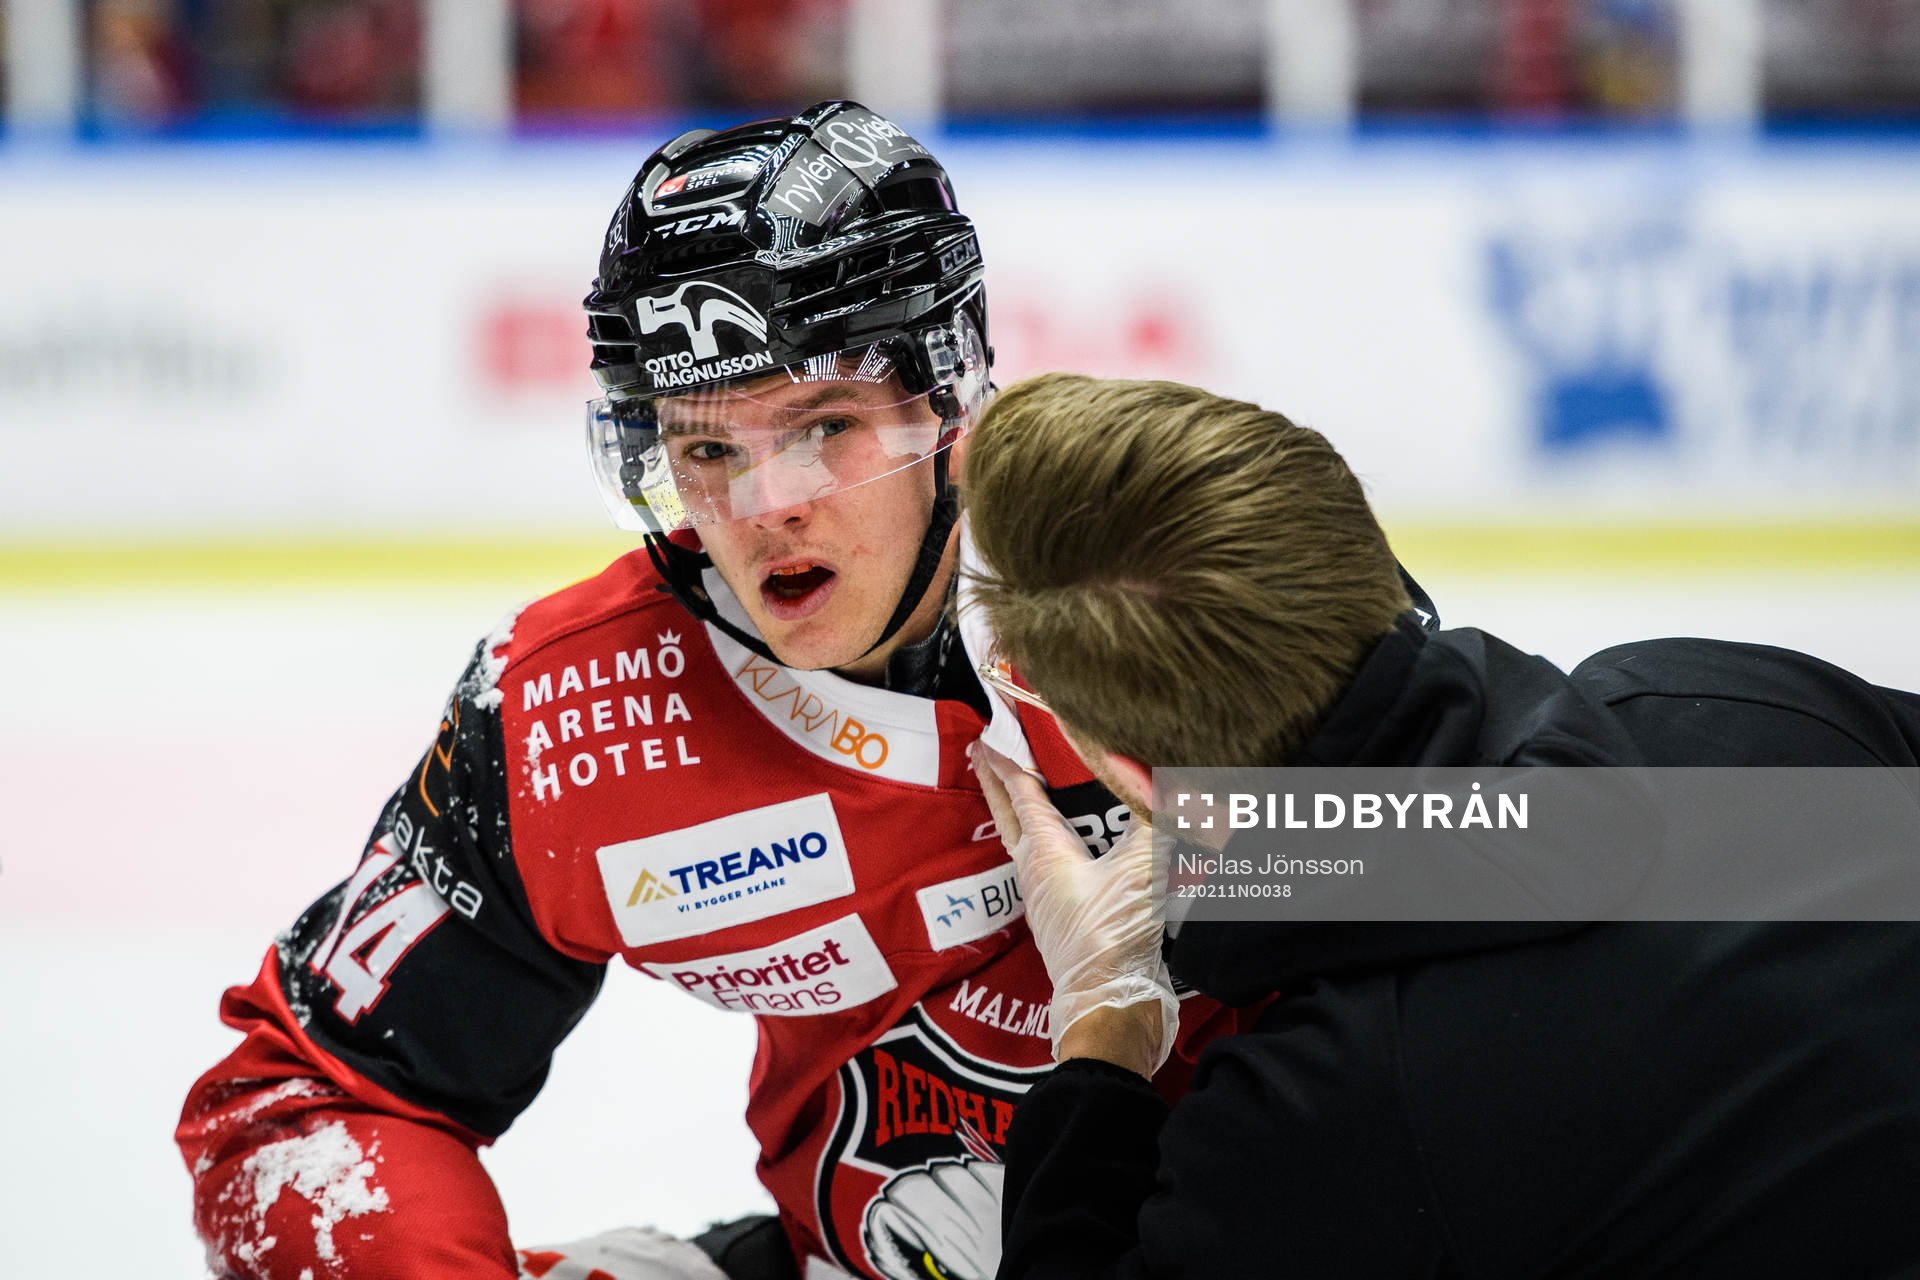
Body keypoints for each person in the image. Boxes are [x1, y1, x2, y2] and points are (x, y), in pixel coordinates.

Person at [175, 107, 1260, 1280]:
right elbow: (300, 1098)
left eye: (823, 426)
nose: (760, 507)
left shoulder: (1192, 588)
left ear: (949, 396)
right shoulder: (575, 715)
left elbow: (1486, 859)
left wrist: (1242, 858)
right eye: (705, 449)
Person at [960, 372, 1920, 1279]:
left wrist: (1102, 1031)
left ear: (1136, 776)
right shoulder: (1728, 703)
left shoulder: (1338, 1117)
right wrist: (1245, 875)